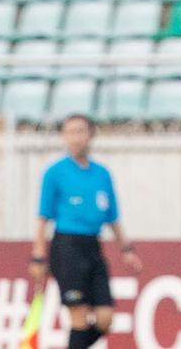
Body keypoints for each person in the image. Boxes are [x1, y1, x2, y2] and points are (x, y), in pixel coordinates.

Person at [29, 114, 143, 349]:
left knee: (105, 318)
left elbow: (113, 217)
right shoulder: (55, 173)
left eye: (80, 131)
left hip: (93, 246)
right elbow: (43, 218)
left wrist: (127, 249)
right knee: (79, 317)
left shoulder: (102, 174)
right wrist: (38, 256)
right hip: (67, 247)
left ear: (90, 135)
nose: (75, 138)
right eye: (69, 132)